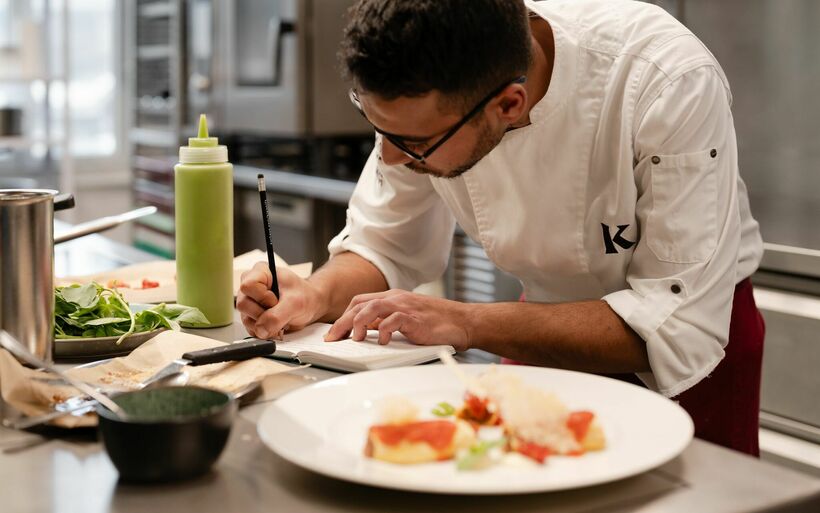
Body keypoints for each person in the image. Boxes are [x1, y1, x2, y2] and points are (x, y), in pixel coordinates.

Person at [237, 0, 765, 456]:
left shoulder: (664, 80)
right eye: (380, 130)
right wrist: (314, 293)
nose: (393, 157)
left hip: (693, 344)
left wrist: (464, 320)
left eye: (414, 144)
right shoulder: (431, 96)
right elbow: (384, 241)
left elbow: (673, 323)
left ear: (509, 105)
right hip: (539, 329)